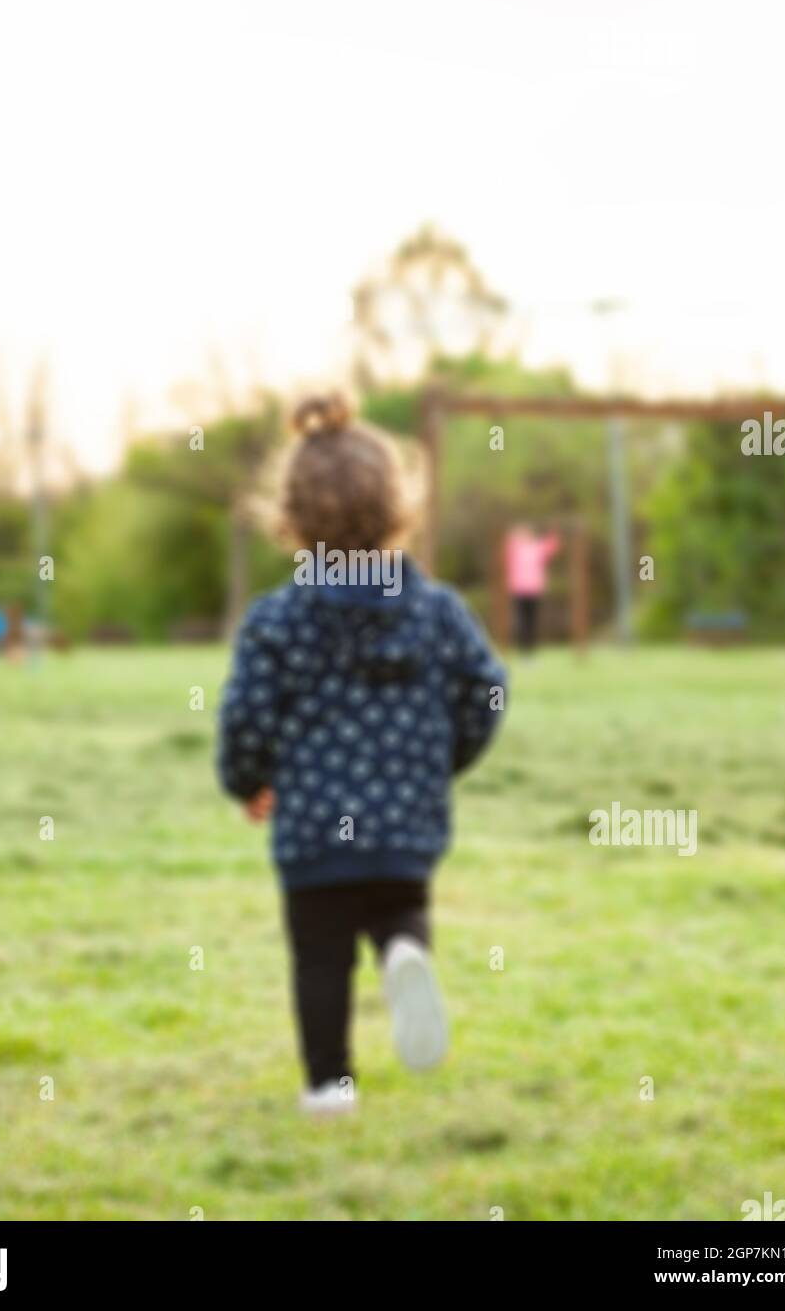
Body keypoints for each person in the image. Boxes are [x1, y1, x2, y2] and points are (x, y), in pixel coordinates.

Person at [217, 393, 506, 1115]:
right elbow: (487, 690)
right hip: (405, 821)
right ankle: (406, 954)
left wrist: (245, 780)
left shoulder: (277, 619)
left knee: (319, 957)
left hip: (314, 827)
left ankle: (329, 1087)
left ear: (290, 517)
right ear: (397, 508)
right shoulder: (438, 611)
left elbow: (246, 715)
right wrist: (441, 761)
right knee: (397, 910)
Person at [504, 523, 560, 655]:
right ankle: (522, 649)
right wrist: (513, 536)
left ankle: (531, 649)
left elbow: (551, 547)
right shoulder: (515, 548)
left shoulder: (536, 548)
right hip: (518, 589)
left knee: (532, 620)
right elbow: (507, 548)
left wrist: (553, 533)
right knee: (521, 620)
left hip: (534, 589)